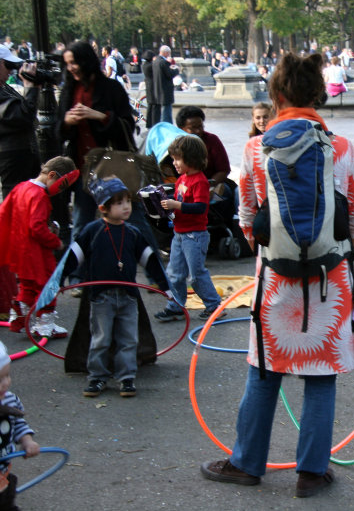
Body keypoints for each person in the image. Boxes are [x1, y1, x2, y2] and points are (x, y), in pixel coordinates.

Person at [201, 52, 354, 498]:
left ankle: (246, 462)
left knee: (264, 372)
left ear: (275, 96)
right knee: (321, 377)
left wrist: (270, 248)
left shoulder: (256, 149)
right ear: (318, 95)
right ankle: (311, 473)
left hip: (276, 278)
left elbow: (247, 217)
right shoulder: (342, 148)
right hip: (330, 280)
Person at [62, 177, 170, 397]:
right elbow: (72, 258)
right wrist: (58, 282)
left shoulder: (133, 233)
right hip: (101, 297)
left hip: (128, 297)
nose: (126, 207)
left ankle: (126, 377)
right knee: (100, 339)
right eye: (119, 203)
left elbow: (150, 260)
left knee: (128, 339)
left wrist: (165, 287)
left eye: (128, 202)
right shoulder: (92, 231)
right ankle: (97, 378)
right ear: (104, 207)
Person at [56, 41, 135, 248]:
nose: (71, 68)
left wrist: (100, 116)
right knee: (81, 225)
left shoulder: (111, 88)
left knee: (134, 222)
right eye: (67, 64)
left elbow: (128, 124)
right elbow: (57, 130)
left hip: (113, 169)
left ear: (85, 61)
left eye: (74, 62)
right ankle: (75, 274)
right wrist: (66, 122)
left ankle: (156, 275)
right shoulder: (69, 91)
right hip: (83, 169)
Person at [0, 156, 76, 337]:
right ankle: (45, 325)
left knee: (27, 285)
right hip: (37, 252)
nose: (60, 191)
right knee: (48, 286)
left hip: (19, 249)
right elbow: (36, 227)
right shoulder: (39, 195)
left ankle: (19, 316)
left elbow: (4, 212)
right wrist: (54, 240)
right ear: (52, 175)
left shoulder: (21, 188)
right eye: (62, 185)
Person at [154, 136, 223, 322]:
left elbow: (200, 207)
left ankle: (214, 305)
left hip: (195, 236)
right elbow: (179, 205)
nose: (174, 163)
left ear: (191, 159)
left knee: (196, 274)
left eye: (177, 159)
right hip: (179, 233)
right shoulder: (181, 180)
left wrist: (175, 205)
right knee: (174, 273)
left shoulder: (199, 181)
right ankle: (176, 306)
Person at [0, 341, 40, 509]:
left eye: (7, 375)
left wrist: (26, 441)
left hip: (3, 469)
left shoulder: (9, 399)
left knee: (6, 498)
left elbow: (18, 423)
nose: (6, 383)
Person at [0, 44, 43, 200]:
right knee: (15, 203)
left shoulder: (4, 87)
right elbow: (22, 116)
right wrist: (30, 87)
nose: (11, 70)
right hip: (11, 157)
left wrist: (35, 87)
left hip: (22, 154)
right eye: (8, 65)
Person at [175, 106, 231, 183]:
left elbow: (223, 170)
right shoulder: (176, 144)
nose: (198, 131)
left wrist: (207, 185)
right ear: (181, 129)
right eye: (193, 128)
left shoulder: (212, 140)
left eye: (200, 126)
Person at [153, 45, 178, 124]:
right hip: (165, 89)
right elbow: (169, 74)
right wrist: (176, 70)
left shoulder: (156, 61)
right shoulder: (164, 62)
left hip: (158, 88)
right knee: (166, 112)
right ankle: (167, 126)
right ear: (166, 53)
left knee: (163, 111)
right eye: (169, 53)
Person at [141, 50, 159, 128]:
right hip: (152, 86)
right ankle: (154, 122)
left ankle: (149, 123)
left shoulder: (145, 65)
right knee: (154, 105)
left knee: (150, 105)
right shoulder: (150, 65)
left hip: (148, 86)